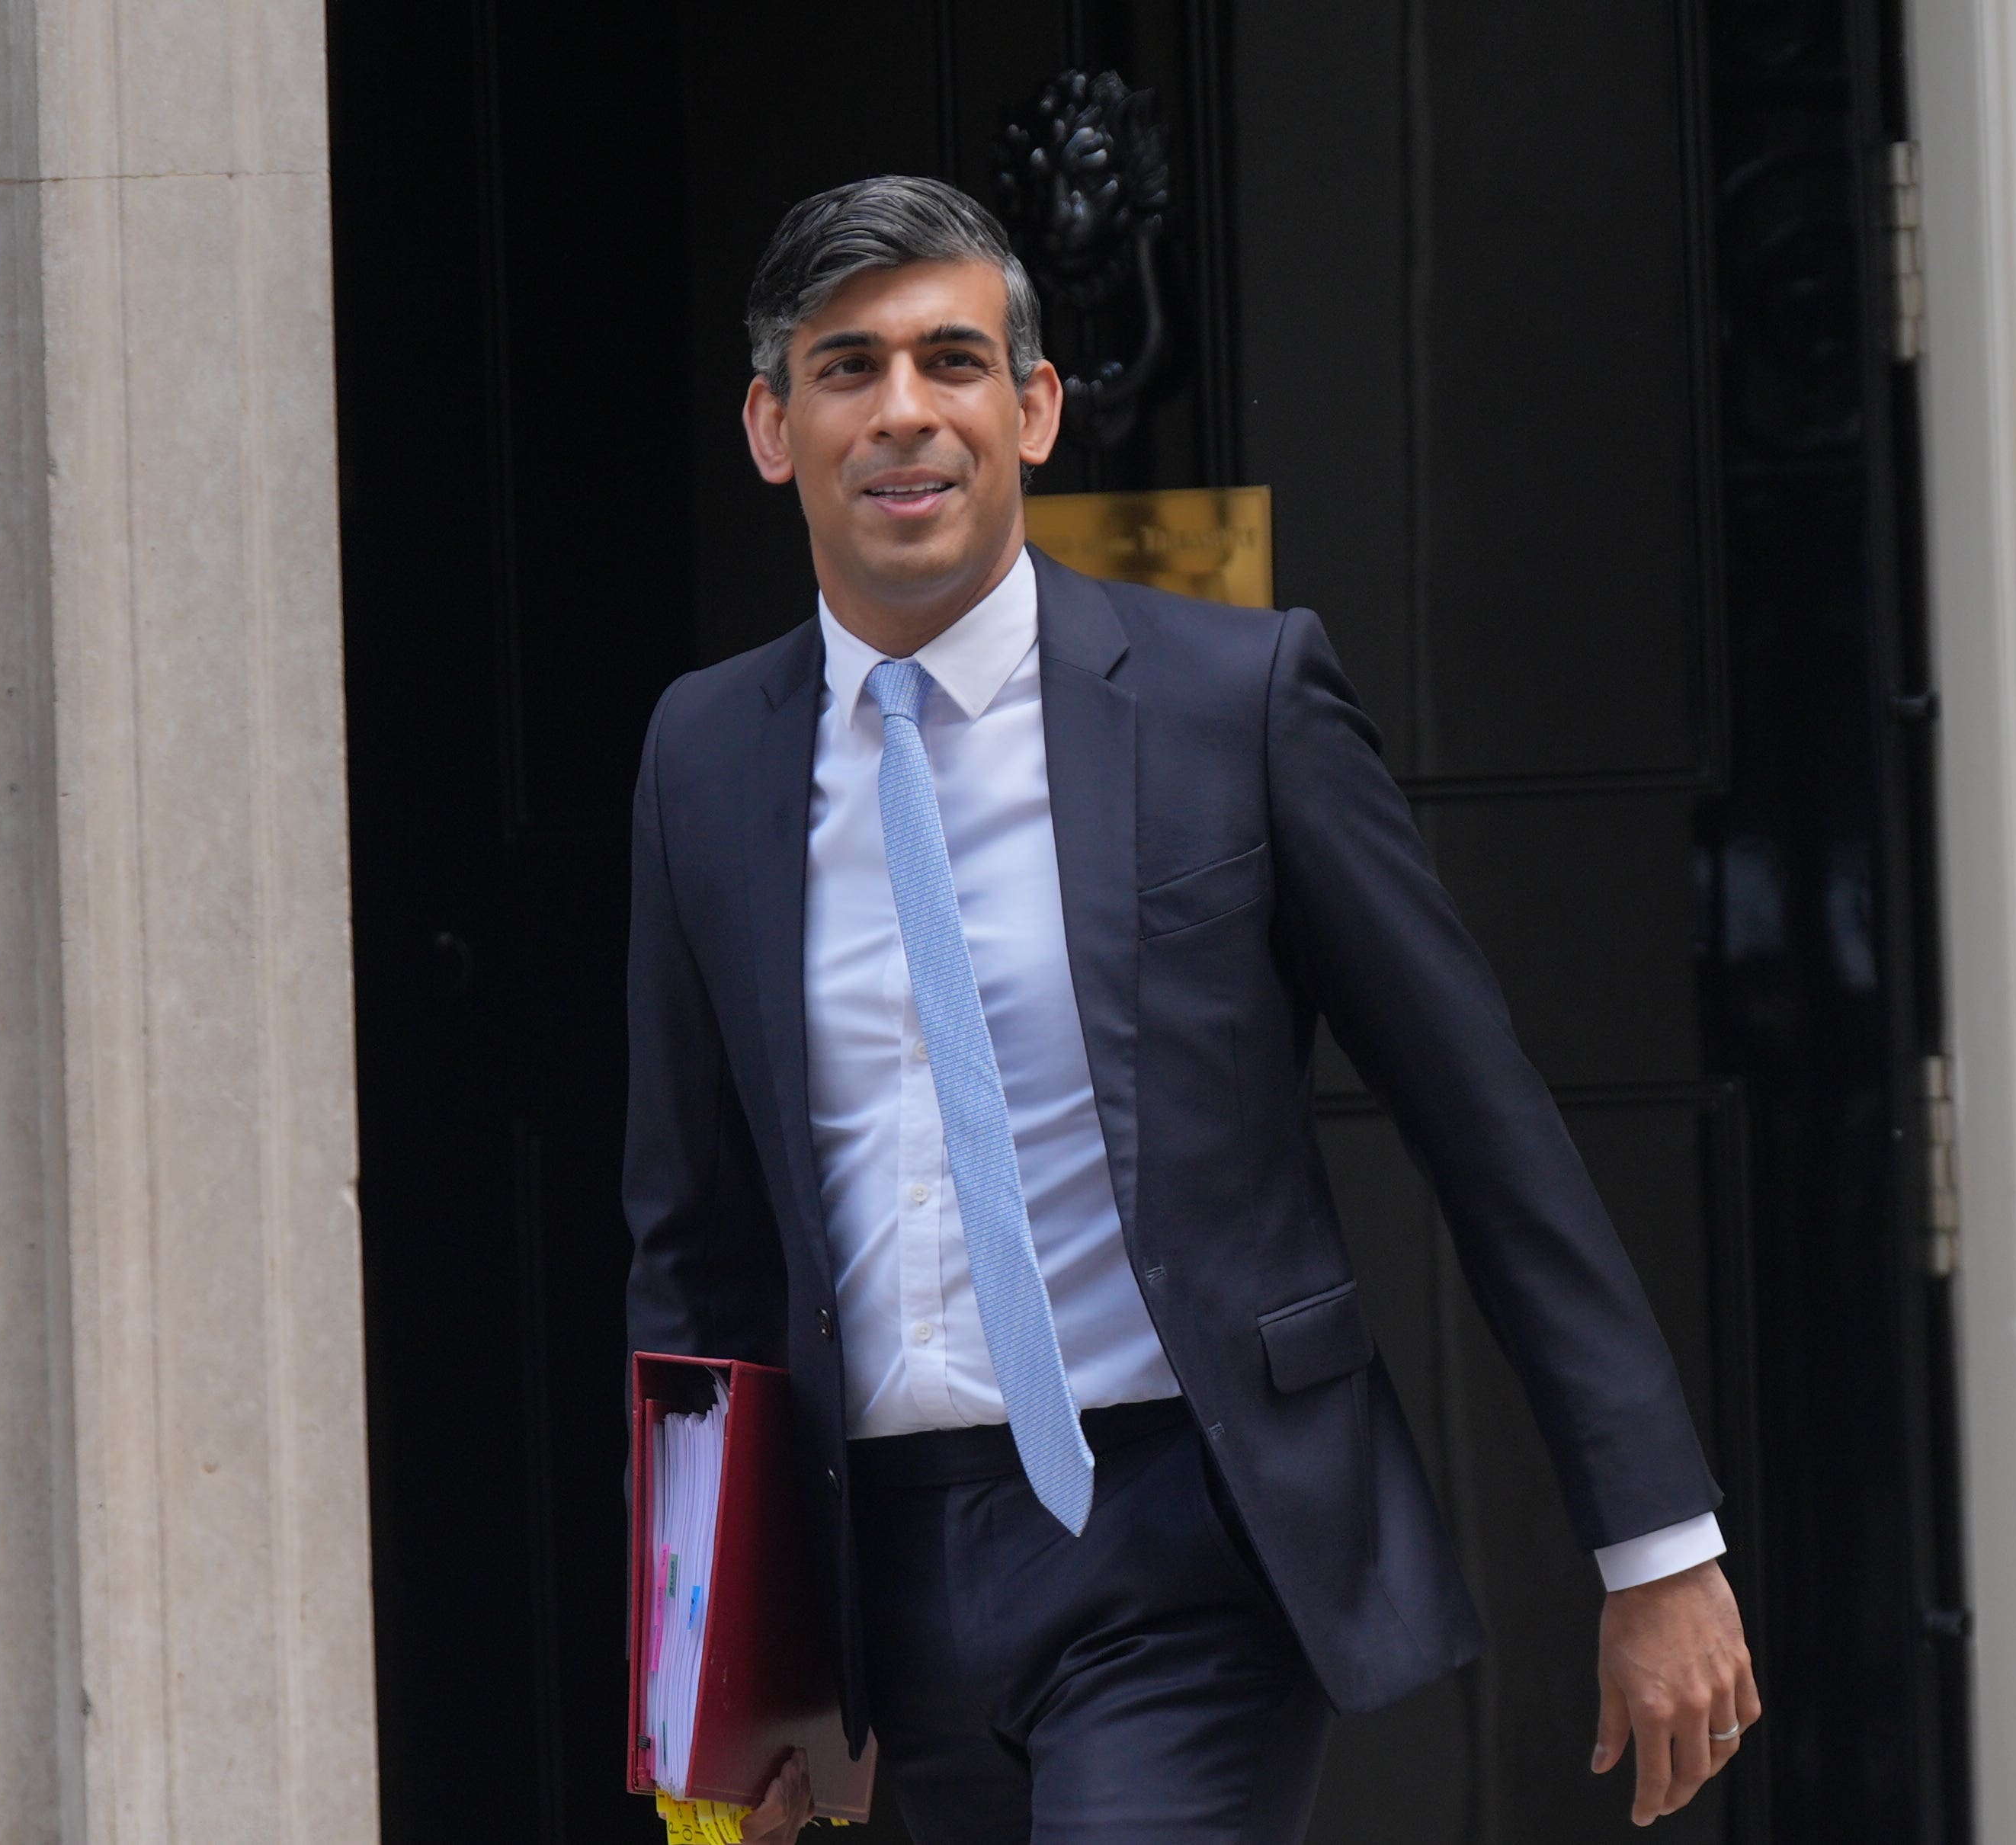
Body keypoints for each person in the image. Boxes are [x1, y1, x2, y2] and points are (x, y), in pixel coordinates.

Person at [626, 175, 1761, 1845]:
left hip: (1183, 1529)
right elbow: (692, 1234)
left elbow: (1485, 1128)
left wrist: (1659, 1543)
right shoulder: (703, 755)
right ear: (770, 426)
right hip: (876, 1570)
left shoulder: (1237, 701)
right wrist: (706, 1683)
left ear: (1033, 408)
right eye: (846, 367)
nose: (904, 411)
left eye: (952, 360)